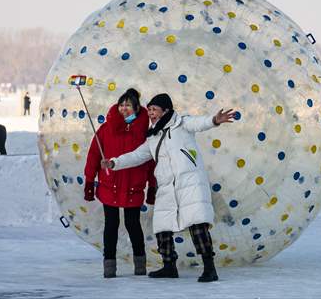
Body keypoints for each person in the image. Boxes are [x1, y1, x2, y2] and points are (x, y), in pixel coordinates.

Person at [101, 93, 236, 283]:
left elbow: (200, 123)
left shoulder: (182, 124)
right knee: (162, 226)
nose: (151, 114)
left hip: (190, 182)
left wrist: (214, 120)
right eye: (149, 111)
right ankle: (169, 266)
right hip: (166, 186)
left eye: (154, 110)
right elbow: (136, 155)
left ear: (166, 110)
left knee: (197, 224)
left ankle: (209, 268)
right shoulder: (153, 137)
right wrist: (114, 163)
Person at [84, 88, 157, 278]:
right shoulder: (106, 129)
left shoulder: (144, 133)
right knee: (111, 225)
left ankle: (140, 264)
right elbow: (93, 155)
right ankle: (109, 267)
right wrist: (90, 181)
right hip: (110, 185)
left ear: (136, 109)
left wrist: (152, 187)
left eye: (128, 106)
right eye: (121, 105)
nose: (124, 109)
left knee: (133, 224)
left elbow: (150, 162)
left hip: (134, 185)